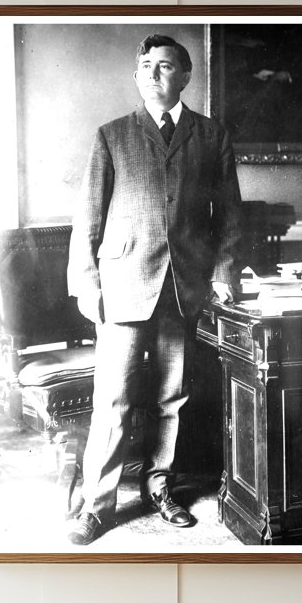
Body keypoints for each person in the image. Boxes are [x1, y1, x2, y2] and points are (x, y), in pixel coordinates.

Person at [65, 34, 243, 546]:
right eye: (145, 66)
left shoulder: (211, 136)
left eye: (164, 66)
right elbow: (87, 219)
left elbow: (230, 216)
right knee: (114, 400)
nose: (152, 74)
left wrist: (222, 274)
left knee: (173, 398)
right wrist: (86, 282)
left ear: (185, 76)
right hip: (122, 286)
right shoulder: (112, 135)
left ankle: (159, 487)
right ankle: (97, 506)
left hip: (183, 287)